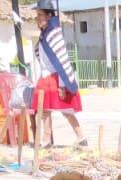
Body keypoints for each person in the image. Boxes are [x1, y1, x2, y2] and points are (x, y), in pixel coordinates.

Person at [32, 0, 85, 148]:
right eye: (37, 15)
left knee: (66, 110)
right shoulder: (45, 34)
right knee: (44, 111)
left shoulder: (54, 33)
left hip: (56, 77)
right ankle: (46, 140)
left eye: (40, 15)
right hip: (46, 77)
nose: (37, 18)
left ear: (49, 16)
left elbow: (62, 60)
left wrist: (62, 85)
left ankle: (82, 138)